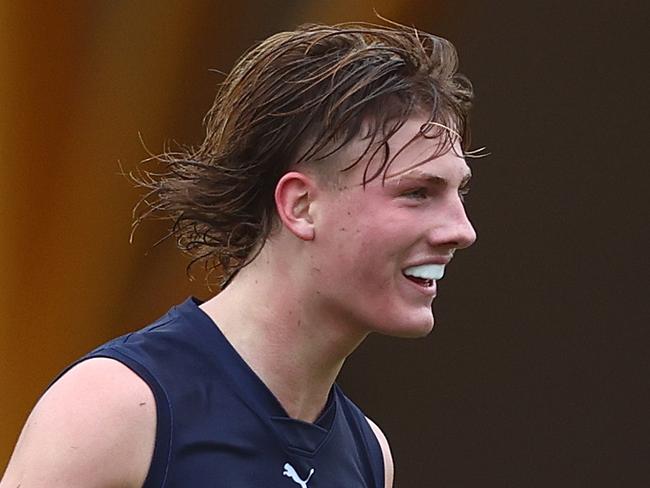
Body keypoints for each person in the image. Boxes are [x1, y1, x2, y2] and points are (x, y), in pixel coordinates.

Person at [1, 21, 477, 488]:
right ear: (301, 206)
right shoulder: (116, 407)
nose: (462, 230)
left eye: (459, 193)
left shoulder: (370, 455)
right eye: (418, 192)